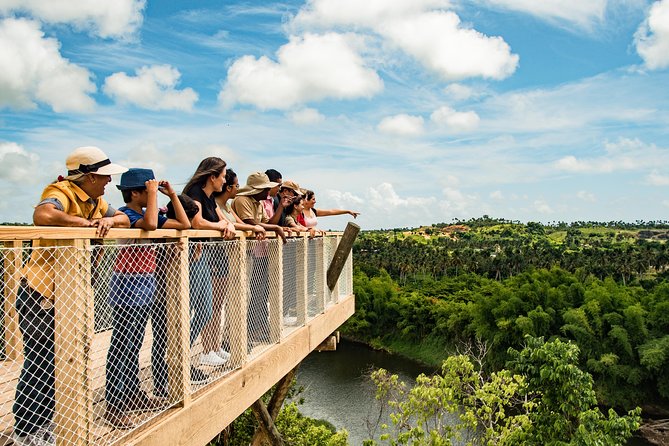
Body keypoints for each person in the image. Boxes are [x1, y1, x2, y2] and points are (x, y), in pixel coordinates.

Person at [13, 146, 129, 446]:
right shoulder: (61, 191)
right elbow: (42, 214)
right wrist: (86, 225)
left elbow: (125, 220)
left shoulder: (96, 200)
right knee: (41, 362)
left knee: (62, 361)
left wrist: (106, 221)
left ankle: (44, 424)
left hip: (67, 294)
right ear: (89, 177)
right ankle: (26, 431)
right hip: (41, 292)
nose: (107, 182)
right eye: (103, 177)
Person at [103, 168, 190, 429]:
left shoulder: (145, 213)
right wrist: (154, 195)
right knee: (122, 346)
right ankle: (115, 404)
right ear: (135, 193)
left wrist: (172, 196)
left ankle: (132, 393)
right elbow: (151, 225)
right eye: (147, 189)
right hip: (127, 286)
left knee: (135, 344)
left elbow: (184, 224)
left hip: (145, 286)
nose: (152, 193)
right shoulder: (126, 214)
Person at [199, 169, 266, 366]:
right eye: (236, 185)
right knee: (211, 307)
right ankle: (206, 349)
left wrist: (254, 228)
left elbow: (235, 224)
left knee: (218, 305)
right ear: (228, 187)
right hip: (214, 256)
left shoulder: (225, 204)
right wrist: (252, 227)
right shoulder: (213, 203)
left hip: (226, 257)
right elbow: (228, 224)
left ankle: (215, 346)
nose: (237, 189)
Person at [183, 157, 236, 384]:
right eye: (223, 176)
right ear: (211, 176)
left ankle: (183, 355)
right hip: (192, 257)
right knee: (203, 309)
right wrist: (220, 226)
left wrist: (229, 224)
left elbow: (224, 219)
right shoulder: (195, 192)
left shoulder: (209, 197)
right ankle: (182, 357)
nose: (224, 180)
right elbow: (197, 223)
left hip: (202, 256)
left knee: (206, 308)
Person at [151, 195, 200, 397]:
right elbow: (159, 266)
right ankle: (161, 382)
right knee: (162, 339)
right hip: (161, 295)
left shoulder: (179, 234)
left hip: (177, 294)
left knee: (177, 335)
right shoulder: (162, 231)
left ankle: (177, 373)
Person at [232, 172, 288, 349]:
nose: (269, 191)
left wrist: (275, 226)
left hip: (258, 253)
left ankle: (252, 332)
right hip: (244, 254)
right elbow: (252, 223)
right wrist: (277, 228)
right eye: (266, 188)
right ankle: (236, 338)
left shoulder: (259, 203)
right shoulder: (243, 200)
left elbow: (266, 222)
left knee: (258, 295)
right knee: (244, 296)